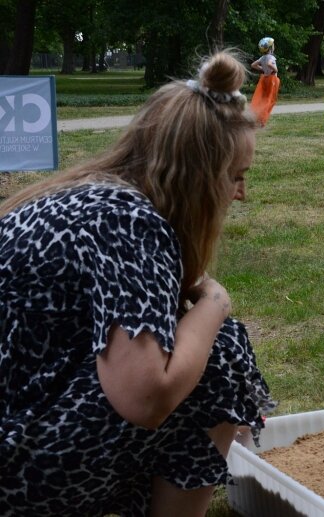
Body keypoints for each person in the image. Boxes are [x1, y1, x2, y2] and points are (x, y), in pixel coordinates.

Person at [0, 51, 277, 515]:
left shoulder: (94, 194)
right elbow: (144, 397)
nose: (241, 193)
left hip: (19, 424)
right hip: (15, 472)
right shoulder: (129, 221)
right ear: (198, 177)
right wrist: (214, 299)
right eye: (235, 176)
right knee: (221, 351)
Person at [250, 36, 280, 126]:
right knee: (270, 99)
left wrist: (262, 68)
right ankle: (263, 119)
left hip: (264, 79)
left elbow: (253, 65)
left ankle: (258, 117)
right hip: (272, 79)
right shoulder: (271, 57)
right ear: (270, 47)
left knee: (263, 98)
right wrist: (275, 69)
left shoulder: (262, 58)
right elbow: (269, 64)